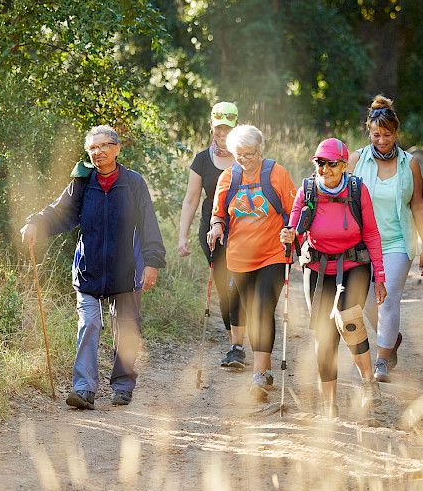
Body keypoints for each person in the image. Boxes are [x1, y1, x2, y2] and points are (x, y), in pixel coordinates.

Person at [20, 125, 166, 410]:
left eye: (104, 146)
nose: (98, 152)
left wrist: (152, 262)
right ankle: (83, 388)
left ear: (117, 148)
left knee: (126, 328)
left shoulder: (134, 183)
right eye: (92, 148)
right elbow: (60, 211)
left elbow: (149, 224)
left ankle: (122, 386)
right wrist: (35, 222)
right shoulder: (83, 183)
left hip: (126, 270)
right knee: (90, 323)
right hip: (89, 268)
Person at [281, 138, 387, 418]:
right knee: (325, 335)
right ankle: (329, 403)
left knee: (349, 319)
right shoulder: (307, 190)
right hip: (318, 266)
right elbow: (293, 225)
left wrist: (380, 276)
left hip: (355, 262)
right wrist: (288, 234)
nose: (324, 169)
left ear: (343, 165)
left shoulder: (357, 190)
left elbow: (372, 233)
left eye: (331, 164)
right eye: (319, 163)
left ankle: (368, 384)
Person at [206, 125, 296, 401]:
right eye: (240, 155)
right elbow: (218, 214)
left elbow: (295, 211)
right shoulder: (227, 178)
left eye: (251, 154)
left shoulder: (277, 174)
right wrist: (217, 227)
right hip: (239, 258)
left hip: (273, 254)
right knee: (253, 312)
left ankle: (258, 376)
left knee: (261, 309)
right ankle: (265, 369)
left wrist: (292, 231)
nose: (246, 160)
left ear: (261, 149)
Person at [348, 96, 423, 383]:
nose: (381, 140)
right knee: (365, 300)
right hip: (361, 244)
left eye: (387, 135)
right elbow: (340, 197)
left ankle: (382, 360)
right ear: (368, 132)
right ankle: (391, 337)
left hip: (397, 242)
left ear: (396, 134)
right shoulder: (357, 160)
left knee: (387, 299)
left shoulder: (410, 164)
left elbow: (418, 204)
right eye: (376, 134)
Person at [178, 101, 247, 369]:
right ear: (212, 126)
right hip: (212, 234)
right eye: (218, 127)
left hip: (245, 232)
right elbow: (191, 199)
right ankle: (236, 344)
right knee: (225, 289)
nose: (222, 133)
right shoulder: (202, 160)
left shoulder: (246, 157)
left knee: (240, 286)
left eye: (227, 128)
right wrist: (182, 237)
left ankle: (239, 344)